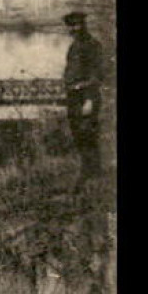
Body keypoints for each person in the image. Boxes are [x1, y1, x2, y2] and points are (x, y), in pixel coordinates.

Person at [62, 11, 105, 179]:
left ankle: (92, 172)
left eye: (77, 25)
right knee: (78, 133)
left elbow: (96, 74)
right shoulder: (75, 46)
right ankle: (88, 170)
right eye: (71, 26)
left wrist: (89, 99)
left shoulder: (92, 45)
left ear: (83, 25)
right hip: (73, 94)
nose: (73, 29)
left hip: (86, 95)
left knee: (88, 133)